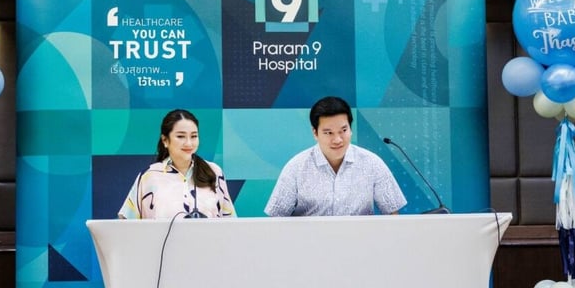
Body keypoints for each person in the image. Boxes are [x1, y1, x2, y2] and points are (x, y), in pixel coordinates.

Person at [265, 96, 406, 216]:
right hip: (308, 245)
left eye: (343, 130)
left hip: (361, 245)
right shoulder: (296, 167)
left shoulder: (373, 163)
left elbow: (393, 215)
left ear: (350, 129)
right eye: (328, 133)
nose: (338, 139)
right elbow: (276, 219)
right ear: (315, 133)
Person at [119, 109, 237, 219]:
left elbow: (230, 220)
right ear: (165, 140)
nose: (189, 143)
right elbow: (128, 224)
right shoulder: (149, 176)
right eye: (181, 136)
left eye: (194, 136)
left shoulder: (214, 171)